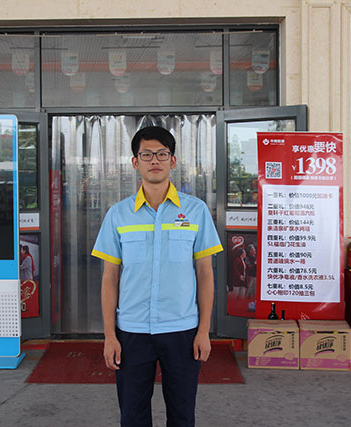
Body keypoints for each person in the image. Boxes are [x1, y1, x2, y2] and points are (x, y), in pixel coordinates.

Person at [92, 126, 223, 427]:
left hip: (182, 329)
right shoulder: (118, 215)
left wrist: (204, 331)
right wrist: (110, 336)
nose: (155, 160)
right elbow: (109, 278)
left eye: (162, 154)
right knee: (132, 416)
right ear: (135, 162)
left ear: (172, 161)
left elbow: (205, 273)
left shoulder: (196, 211)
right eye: (147, 154)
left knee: (182, 415)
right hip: (132, 331)